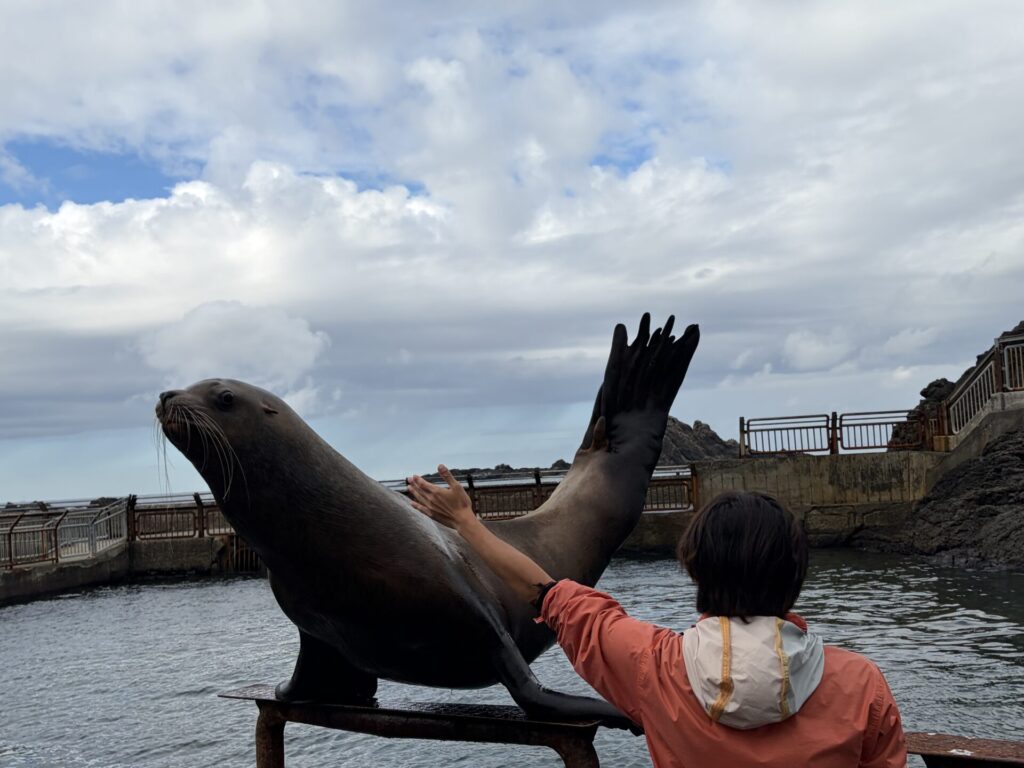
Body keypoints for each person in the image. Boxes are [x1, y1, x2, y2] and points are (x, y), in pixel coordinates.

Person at [406, 466, 907, 768]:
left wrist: (465, 523)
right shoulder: (860, 684)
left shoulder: (652, 666)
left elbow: (546, 593)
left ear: (694, 568)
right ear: (795, 573)